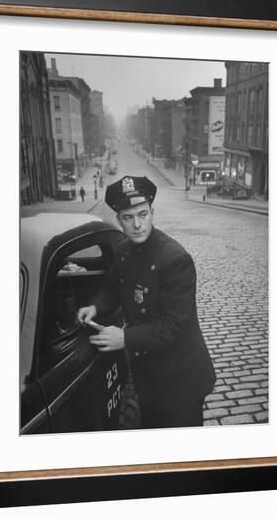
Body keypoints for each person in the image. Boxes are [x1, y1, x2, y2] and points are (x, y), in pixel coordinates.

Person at [77, 175, 216, 429]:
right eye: (128, 218)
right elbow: (113, 287)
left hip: (180, 381)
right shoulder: (122, 251)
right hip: (147, 377)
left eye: (143, 214)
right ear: (119, 220)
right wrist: (96, 306)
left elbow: (175, 325)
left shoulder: (174, 259)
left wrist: (124, 338)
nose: (137, 225)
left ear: (152, 212)